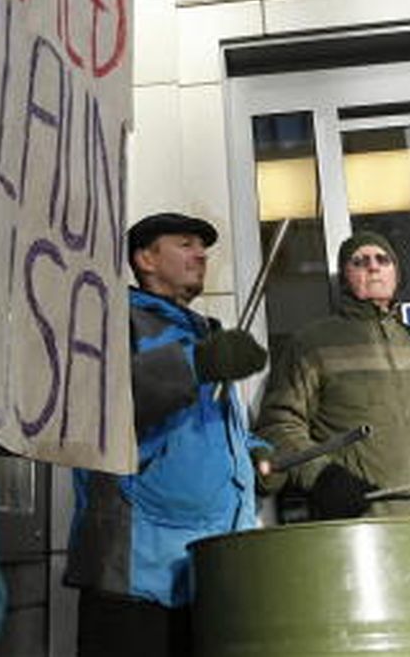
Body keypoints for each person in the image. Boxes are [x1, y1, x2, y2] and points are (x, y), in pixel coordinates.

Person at [64, 212, 268, 656]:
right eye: (185, 244)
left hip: (206, 570)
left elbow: (208, 426)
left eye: (203, 247)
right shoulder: (111, 320)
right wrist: (198, 364)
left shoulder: (198, 333)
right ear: (146, 259)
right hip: (137, 575)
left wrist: (257, 452)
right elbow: (99, 406)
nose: (200, 254)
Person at [256, 231, 410, 520]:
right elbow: (277, 427)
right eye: (359, 261)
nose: (373, 266)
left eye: (382, 259)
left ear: (396, 274)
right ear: (344, 277)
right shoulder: (312, 345)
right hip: (365, 532)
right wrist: (320, 475)